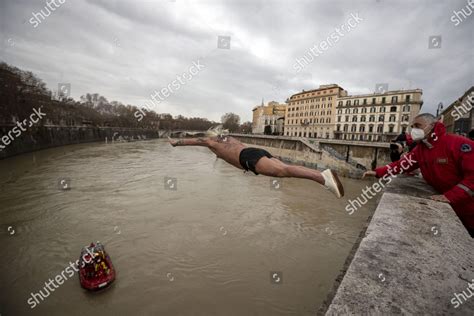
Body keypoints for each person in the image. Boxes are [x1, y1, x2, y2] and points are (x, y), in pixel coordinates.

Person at [363, 113, 474, 237]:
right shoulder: (421, 150)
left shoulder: (458, 144)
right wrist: (378, 172)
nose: (414, 130)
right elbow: (402, 165)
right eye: (413, 126)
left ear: (432, 125)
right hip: (457, 211)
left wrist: (450, 196)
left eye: (418, 126)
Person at [168, 126, 344, 198]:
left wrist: (176, 143)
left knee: (284, 171)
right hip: (254, 152)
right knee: (285, 168)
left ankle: (322, 178)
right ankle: (321, 176)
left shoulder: (211, 142)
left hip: (248, 159)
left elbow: (194, 141)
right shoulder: (227, 139)